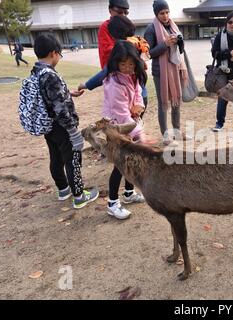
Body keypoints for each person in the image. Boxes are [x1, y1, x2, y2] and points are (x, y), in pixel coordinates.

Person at [31, 34, 99, 209]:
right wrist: (73, 131)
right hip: (62, 127)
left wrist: (68, 93)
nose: (59, 58)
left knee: (56, 157)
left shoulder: (37, 70)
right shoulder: (51, 75)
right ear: (54, 53)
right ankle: (79, 195)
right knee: (73, 159)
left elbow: (50, 96)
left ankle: (63, 189)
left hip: (49, 126)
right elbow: (60, 108)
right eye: (60, 55)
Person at [102, 41, 147, 219]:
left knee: (130, 162)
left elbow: (137, 93)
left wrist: (138, 105)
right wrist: (141, 135)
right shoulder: (114, 83)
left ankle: (128, 193)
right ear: (115, 63)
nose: (128, 68)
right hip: (117, 128)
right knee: (120, 166)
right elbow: (121, 116)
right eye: (123, 64)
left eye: (131, 64)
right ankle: (112, 203)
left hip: (130, 123)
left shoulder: (133, 76)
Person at [78, 15, 150, 109]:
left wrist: (86, 85)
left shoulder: (122, 49)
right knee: (137, 123)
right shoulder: (137, 42)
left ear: (113, 33)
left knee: (128, 122)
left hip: (129, 99)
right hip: (142, 96)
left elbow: (106, 71)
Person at [144, 0, 189, 145]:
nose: (165, 16)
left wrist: (179, 42)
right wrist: (165, 44)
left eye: (167, 12)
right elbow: (148, 54)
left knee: (176, 101)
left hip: (175, 69)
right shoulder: (151, 29)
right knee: (163, 103)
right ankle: (165, 137)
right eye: (162, 13)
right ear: (156, 14)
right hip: (160, 72)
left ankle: (177, 131)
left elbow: (180, 50)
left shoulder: (173, 26)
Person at [98, 0, 129, 69]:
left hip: (127, 67)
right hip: (112, 68)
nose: (123, 15)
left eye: (126, 12)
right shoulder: (105, 26)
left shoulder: (127, 25)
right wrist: (129, 47)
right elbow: (107, 50)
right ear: (110, 11)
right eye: (120, 12)